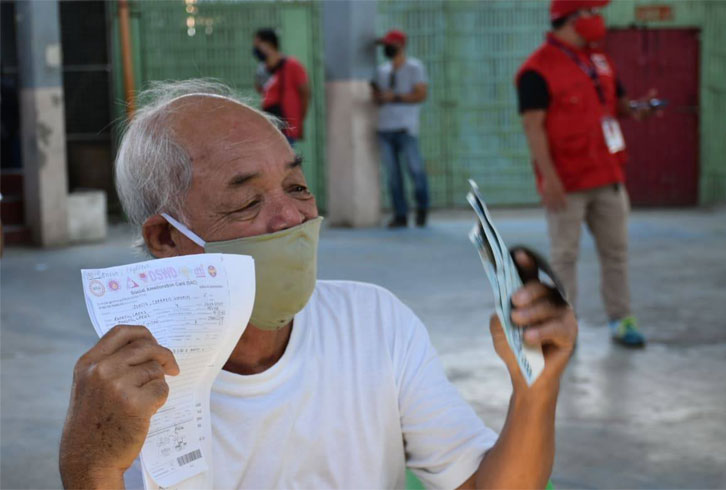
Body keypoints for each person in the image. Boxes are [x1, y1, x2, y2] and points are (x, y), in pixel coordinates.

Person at [58, 80, 577, 489]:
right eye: (247, 201)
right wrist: (91, 473)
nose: (291, 217)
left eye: (297, 186)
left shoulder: (373, 322)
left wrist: (537, 386)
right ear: (167, 239)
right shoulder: (126, 393)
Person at [515, 0, 655, 348]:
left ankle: (622, 320)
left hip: (608, 178)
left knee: (616, 253)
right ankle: (564, 326)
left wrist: (638, 109)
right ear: (571, 19)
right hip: (567, 183)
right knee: (565, 256)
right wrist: (549, 179)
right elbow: (533, 128)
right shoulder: (536, 69)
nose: (598, 20)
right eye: (591, 13)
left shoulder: (601, 60)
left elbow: (617, 105)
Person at [372, 29, 430, 228]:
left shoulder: (415, 67)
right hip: (385, 128)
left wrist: (395, 97)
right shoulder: (382, 70)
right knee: (393, 177)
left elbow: (421, 94)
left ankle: (422, 209)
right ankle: (400, 214)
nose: (387, 48)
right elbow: (378, 97)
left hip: (406, 128)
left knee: (415, 171)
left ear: (400, 45)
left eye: (390, 44)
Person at [252, 28, 310, 145]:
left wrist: (299, 123)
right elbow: (260, 90)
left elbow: (305, 93)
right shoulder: (262, 69)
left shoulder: (292, 65)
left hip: (287, 126)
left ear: (267, 44)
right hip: (270, 125)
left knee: (284, 161)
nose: (255, 49)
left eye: (258, 44)